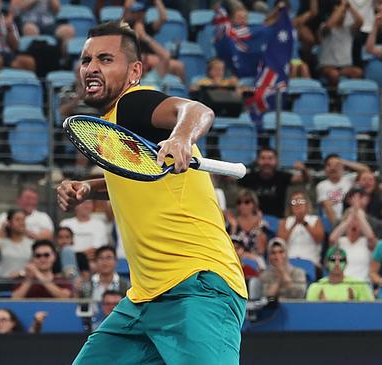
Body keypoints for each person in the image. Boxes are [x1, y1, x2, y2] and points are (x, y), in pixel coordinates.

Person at [57, 22, 247, 364]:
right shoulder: (113, 129)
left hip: (196, 289)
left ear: (134, 71)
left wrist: (181, 137)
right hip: (143, 301)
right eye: (86, 60)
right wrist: (89, 189)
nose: (91, 68)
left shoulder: (134, 104)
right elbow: (140, 175)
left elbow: (196, 110)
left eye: (104, 59)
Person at [238, 147, 310, 218]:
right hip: (253, 220)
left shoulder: (282, 177)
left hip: (278, 221)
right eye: (263, 158)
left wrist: (303, 169)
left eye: (270, 158)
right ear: (257, 160)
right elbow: (231, 179)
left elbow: (304, 180)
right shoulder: (249, 178)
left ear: (276, 161)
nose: (266, 162)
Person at [318, 0, 364, 87]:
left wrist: (349, 7)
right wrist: (342, 6)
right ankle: (334, 97)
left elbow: (360, 21)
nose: (341, 15)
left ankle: (350, 95)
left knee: (358, 72)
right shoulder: (324, 27)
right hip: (328, 66)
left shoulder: (348, 29)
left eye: (343, 13)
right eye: (338, 12)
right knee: (334, 74)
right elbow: (329, 25)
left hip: (345, 66)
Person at [328, 203, 378, 282]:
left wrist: (359, 215)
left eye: (357, 219)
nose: (354, 223)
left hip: (363, 285)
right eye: (352, 219)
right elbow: (331, 240)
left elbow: (371, 238)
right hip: (342, 285)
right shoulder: (340, 241)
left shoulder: (367, 242)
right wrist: (348, 220)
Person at [316, 154, 369, 227]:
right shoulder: (321, 185)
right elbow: (328, 209)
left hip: (350, 217)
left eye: (336, 165)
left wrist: (344, 162)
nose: (333, 168)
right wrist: (337, 226)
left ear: (342, 167)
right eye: (329, 165)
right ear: (325, 169)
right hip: (331, 222)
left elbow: (366, 170)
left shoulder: (349, 180)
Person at [306, 246, 375, 301]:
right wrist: (321, 306)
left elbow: (369, 310)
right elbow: (310, 313)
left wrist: (354, 306)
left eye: (341, 260)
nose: (337, 263)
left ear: (346, 263)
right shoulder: (316, 287)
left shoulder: (359, 285)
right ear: (326, 263)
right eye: (333, 259)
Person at [277, 191, 325, 269]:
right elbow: (280, 242)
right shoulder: (285, 221)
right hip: (289, 262)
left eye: (300, 201)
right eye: (294, 202)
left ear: (306, 203)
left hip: (310, 262)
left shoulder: (315, 220)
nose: (297, 204)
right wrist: (295, 223)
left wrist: (304, 223)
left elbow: (319, 239)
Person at [0, 209, 34, 280]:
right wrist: (1, 229)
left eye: (23, 220)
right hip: (3, 282)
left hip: (24, 282)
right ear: (10, 223)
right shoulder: (2, 242)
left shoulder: (31, 243)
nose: (21, 223)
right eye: (17, 220)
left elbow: (35, 265)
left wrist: (21, 273)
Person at [225, 190, 272, 256]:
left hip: (256, 261)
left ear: (254, 204)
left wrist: (258, 226)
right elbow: (228, 248)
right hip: (237, 258)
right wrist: (234, 228)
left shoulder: (262, 224)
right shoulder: (232, 223)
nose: (242, 205)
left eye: (246, 202)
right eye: (239, 202)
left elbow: (261, 250)